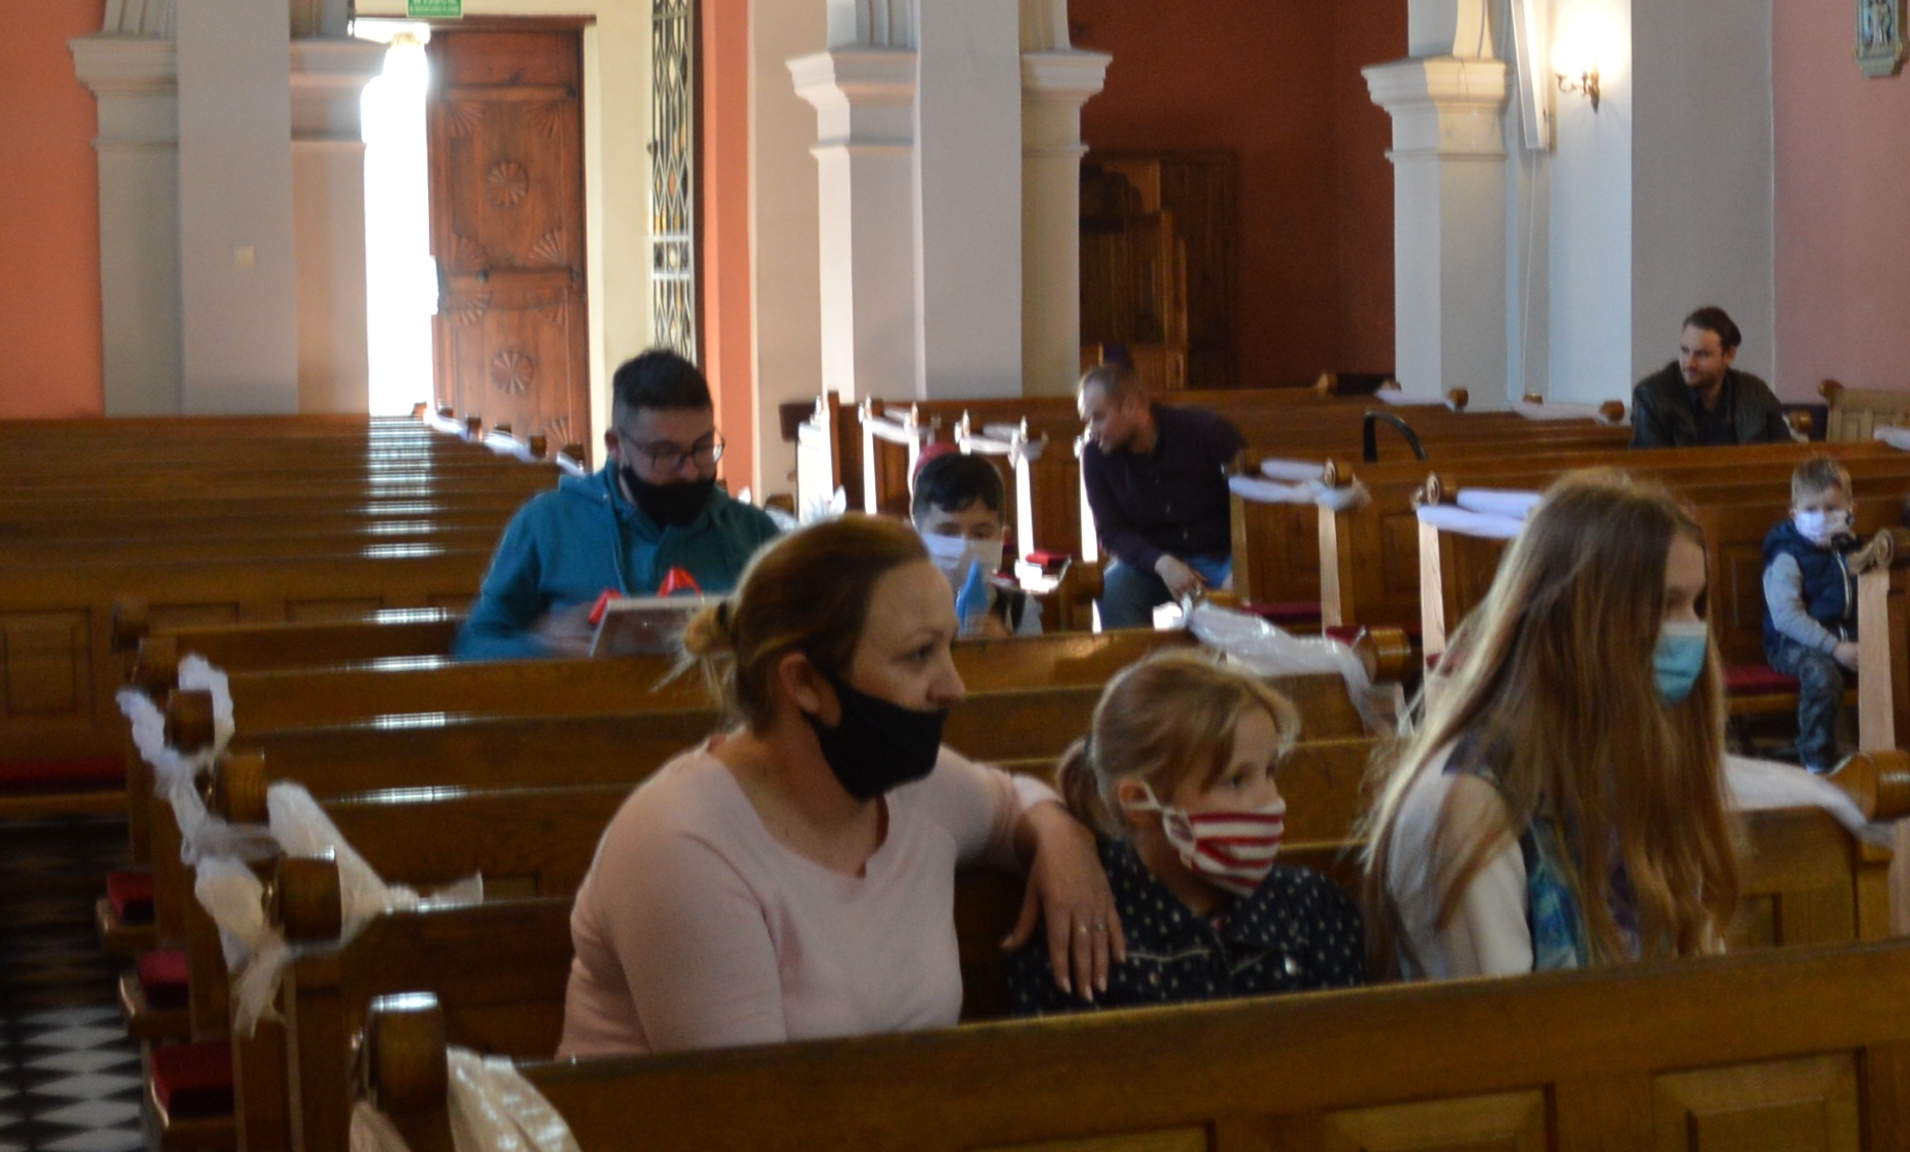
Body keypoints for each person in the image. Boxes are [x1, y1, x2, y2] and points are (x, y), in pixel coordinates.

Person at [560, 518, 1124, 1057]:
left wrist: (1064, 843)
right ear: (804, 682)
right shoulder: (684, 846)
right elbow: (751, 1105)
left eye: (949, 648)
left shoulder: (911, 788)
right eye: (919, 654)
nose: (954, 688)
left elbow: (1011, 803)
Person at [1354, 470, 1741, 977]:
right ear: (1577, 619)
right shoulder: (1470, 804)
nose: (1692, 630)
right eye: (1666, 605)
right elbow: (1507, 1017)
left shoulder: (1632, 762)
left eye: (1696, 603)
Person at [1005, 653, 1367, 1015]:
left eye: (1269, 771)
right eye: (1236, 780)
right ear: (1140, 802)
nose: (1271, 799)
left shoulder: (1311, 908)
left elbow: (1348, 1037)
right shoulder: (1080, 925)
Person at [454, 349, 783, 659]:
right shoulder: (546, 523)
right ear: (616, 446)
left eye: (702, 447)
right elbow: (473, 645)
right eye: (665, 453)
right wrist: (542, 646)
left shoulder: (753, 529)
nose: (691, 471)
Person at [1078, 363, 1245, 632]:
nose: (1091, 430)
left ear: (1130, 406)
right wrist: (1162, 563)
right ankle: (1141, 660)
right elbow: (1111, 531)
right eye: (1088, 420)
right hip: (1153, 563)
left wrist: (1240, 572)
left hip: (1222, 556)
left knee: (1248, 586)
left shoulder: (1206, 431)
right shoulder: (1095, 456)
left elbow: (1250, 503)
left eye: (1098, 417)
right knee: (1113, 590)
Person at [1760, 455, 1865, 775]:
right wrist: (1835, 647)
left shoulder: (1857, 551)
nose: (1821, 517)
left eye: (1832, 508)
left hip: (1851, 641)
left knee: (1895, 664)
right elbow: (1786, 616)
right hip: (1794, 644)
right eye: (1810, 510)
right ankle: (1816, 761)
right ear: (1794, 514)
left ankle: (1880, 753)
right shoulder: (1787, 554)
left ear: (1851, 509)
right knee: (1822, 675)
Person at [907, 449, 1044, 639]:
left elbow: (1037, 658)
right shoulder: (891, 608)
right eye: (947, 532)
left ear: (1002, 538)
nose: (964, 547)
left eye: (980, 534)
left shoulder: (1017, 609)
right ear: (915, 537)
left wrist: (1004, 645)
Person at [1628, 306, 1794, 448]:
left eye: (1702, 354)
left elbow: (1786, 453)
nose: (1690, 363)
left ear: (1729, 355)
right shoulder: (1652, 395)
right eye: (1685, 351)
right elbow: (1650, 466)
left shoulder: (1755, 393)